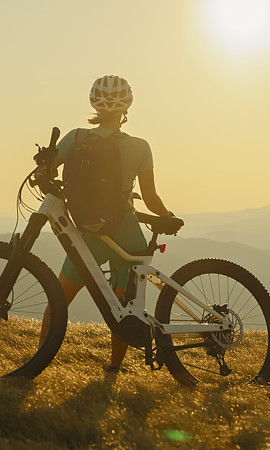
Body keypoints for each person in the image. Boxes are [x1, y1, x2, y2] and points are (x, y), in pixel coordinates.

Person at [40, 75, 175, 373]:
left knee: (58, 300)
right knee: (124, 307)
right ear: (126, 108)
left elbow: (45, 172)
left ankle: (38, 362)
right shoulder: (140, 147)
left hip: (88, 233)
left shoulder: (75, 138)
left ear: (94, 105)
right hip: (126, 234)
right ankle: (115, 368)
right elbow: (151, 198)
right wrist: (167, 217)